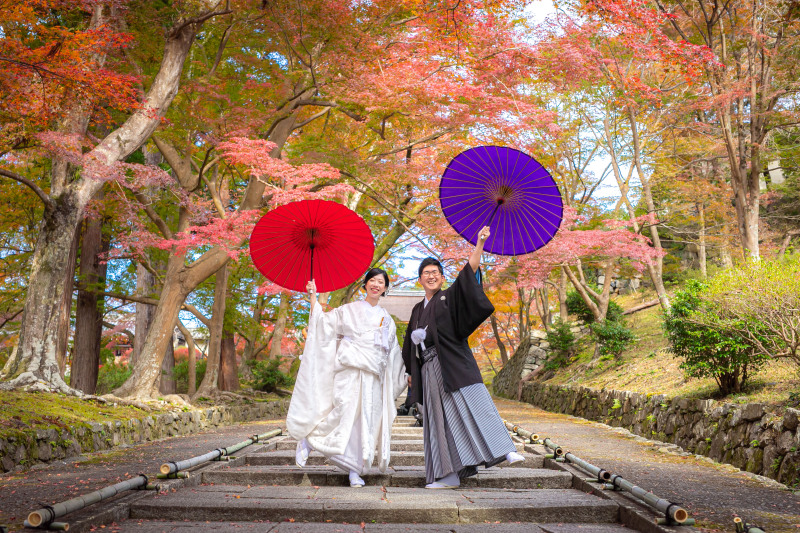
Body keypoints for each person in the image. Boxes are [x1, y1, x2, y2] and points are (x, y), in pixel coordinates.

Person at [402, 226, 524, 489]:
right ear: (419, 280)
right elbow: (407, 346)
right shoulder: (416, 310)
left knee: (476, 402)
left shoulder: (449, 297)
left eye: (435, 272)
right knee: (439, 422)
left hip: (454, 363)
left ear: (442, 277)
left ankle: (505, 449)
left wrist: (479, 243)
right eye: (426, 273)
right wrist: (411, 371)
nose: (431, 276)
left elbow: (468, 273)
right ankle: (448, 475)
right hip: (428, 369)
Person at [286, 268, 407, 487]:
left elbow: (393, 355)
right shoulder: (349, 309)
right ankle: (310, 439)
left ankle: (354, 470)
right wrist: (313, 296)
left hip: (374, 378)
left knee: (365, 422)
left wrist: (403, 376)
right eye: (372, 280)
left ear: (385, 288)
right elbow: (323, 324)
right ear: (365, 284)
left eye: (381, 282)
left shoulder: (387, 319)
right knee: (343, 412)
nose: (376, 285)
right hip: (350, 371)